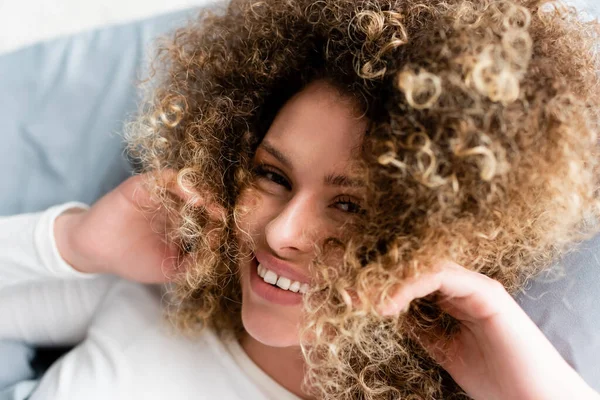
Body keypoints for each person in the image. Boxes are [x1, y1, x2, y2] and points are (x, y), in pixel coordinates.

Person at [2, 0, 600, 398]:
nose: (283, 232)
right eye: (273, 176)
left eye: (349, 207)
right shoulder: (156, 298)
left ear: (436, 238)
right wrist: (72, 241)